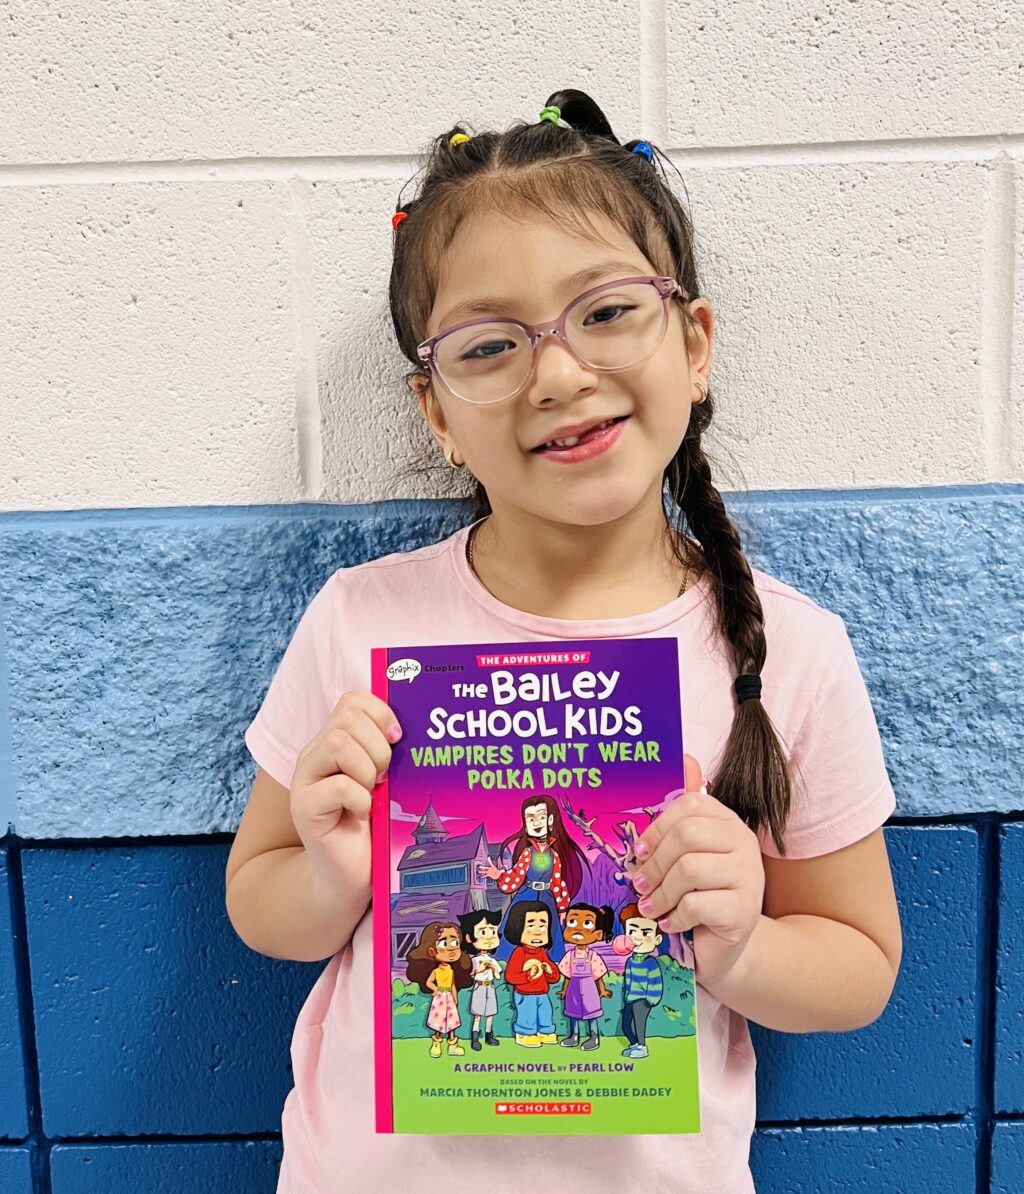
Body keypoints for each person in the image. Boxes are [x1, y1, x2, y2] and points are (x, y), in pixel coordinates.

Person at [226, 88, 903, 1194]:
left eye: (604, 312)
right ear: (437, 415)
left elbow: (861, 968)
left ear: (693, 345)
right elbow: (264, 905)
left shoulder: (790, 651)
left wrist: (742, 944)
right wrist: (332, 870)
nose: (554, 374)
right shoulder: (360, 619)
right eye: (489, 344)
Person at [557, 903, 613, 1050]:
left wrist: (602, 990)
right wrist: (564, 990)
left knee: (591, 1013)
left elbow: (598, 976)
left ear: (598, 934)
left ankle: (594, 1037)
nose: (578, 928)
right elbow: (567, 975)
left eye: (587, 923)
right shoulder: (570, 955)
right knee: (572, 1012)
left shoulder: (593, 955)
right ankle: (573, 1036)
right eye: (572, 922)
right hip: (573, 987)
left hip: (589, 988)